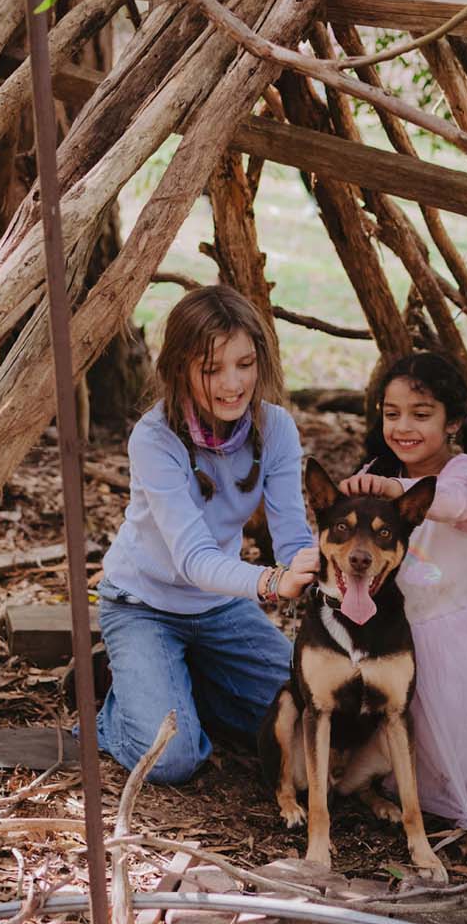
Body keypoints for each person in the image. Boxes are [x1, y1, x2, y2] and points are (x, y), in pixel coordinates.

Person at [95, 286, 320, 785]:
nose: (232, 383)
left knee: (306, 712)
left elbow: (291, 535)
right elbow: (193, 559)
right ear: (179, 368)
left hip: (220, 607)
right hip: (143, 603)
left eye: (244, 363)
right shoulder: (155, 439)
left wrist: (312, 566)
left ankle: (186, 683)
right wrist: (270, 583)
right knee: (172, 760)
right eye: (211, 368)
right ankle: (116, 712)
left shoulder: (276, 428)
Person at [340, 352, 467, 829]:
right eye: (392, 414)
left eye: (421, 414)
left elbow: (451, 505)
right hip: (392, 626)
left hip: (451, 631)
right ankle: (366, 784)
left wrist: (396, 491)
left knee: (449, 735)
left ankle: (428, 795)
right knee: (385, 722)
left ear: (453, 421)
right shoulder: (380, 468)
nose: (403, 427)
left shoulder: (465, 471)